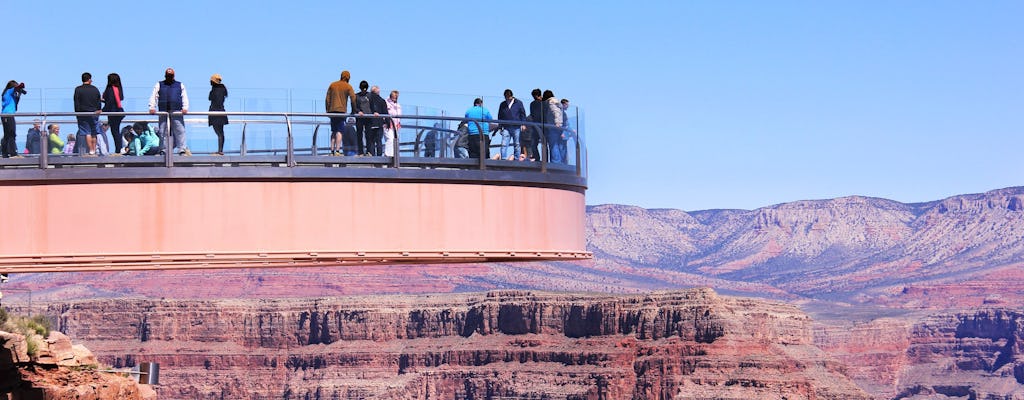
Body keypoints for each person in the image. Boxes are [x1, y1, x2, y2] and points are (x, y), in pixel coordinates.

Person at [148, 67, 190, 156]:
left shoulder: (180, 85)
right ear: (165, 76)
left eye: (170, 76)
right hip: (163, 110)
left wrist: (185, 107)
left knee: (180, 130)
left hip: (176, 110)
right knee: (163, 131)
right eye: (168, 76)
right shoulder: (159, 84)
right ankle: (163, 149)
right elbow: (154, 95)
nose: (169, 77)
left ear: (173, 76)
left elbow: (184, 96)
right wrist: (152, 107)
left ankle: (182, 149)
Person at [324, 70, 356, 156]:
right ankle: (338, 151)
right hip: (341, 111)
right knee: (339, 131)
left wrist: (328, 110)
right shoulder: (348, 86)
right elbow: (353, 99)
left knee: (333, 131)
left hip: (332, 111)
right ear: (348, 77)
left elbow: (327, 98)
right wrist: (354, 110)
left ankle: (331, 151)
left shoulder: (332, 85)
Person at [73, 73, 103, 156]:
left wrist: (77, 113)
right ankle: (94, 149)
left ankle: (91, 150)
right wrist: (98, 110)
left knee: (87, 132)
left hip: (83, 113)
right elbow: (98, 101)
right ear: (89, 79)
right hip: (94, 113)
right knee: (94, 132)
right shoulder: (95, 89)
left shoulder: (78, 89)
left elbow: (76, 102)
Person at [496, 89, 527, 161]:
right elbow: (500, 116)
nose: (507, 98)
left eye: (508, 97)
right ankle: (503, 159)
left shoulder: (518, 103)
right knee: (504, 144)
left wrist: (523, 124)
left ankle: (517, 159)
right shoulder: (503, 104)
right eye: (505, 97)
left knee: (517, 144)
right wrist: (500, 126)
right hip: (506, 127)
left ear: (511, 96)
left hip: (516, 127)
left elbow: (523, 114)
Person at [2, 80, 26, 158]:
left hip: (7, 115)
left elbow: (18, 92)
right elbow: (17, 88)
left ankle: (5, 153)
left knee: (8, 134)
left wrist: (21, 92)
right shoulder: (9, 91)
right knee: (11, 134)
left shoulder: (9, 93)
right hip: (7, 115)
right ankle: (12, 153)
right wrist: (20, 86)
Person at [102, 73, 125, 154]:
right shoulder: (118, 88)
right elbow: (120, 98)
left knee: (115, 132)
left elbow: (110, 101)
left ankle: (118, 150)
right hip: (118, 111)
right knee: (116, 131)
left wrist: (103, 110)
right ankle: (118, 149)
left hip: (113, 112)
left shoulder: (110, 88)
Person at [208, 73, 228, 155]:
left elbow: (211, 99)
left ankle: (220, 151)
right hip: (221, 112)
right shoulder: (222, 89)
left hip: (215, 113)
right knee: (221, 132)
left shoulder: (215, 90)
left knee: (219, 132)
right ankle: (220, 150)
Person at [543, 90, 564, 163]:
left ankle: (556, 161)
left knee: (553, 144)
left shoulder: (551, 102)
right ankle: (560, 161)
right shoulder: (558, 102)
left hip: (553, 126)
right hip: (559, 126)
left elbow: (555, 112)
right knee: (558, 144)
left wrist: (557, 122)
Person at [367, 85, 389, 156]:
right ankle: (379, 156)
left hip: (370, 122)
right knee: (379, 140)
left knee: (371, 141)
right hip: (379, 123)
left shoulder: (368, 99)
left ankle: (372, 156)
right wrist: (387, 122)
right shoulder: (382, 100)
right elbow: (385, 112)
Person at [353, 81, 373, 156]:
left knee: (368, 135)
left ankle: (369, 151)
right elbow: (354, 106)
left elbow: (373, 105)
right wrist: (358, 111)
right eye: (362, 89)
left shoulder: (370, 95)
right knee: (359, 135)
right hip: (360, 118)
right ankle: (360, 152)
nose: (364, 90)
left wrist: (373, 112)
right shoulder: (356, 96)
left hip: (368, 117)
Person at [526, 88, 544, 161]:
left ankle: (541, 159)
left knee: (541, 144)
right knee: (534, 144)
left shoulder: (543, 103)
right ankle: (538, 158)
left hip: (541, 126)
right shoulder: (533, 104)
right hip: (537, 126)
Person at [382, 89, 401, 157]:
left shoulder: (398, 105)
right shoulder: (386, 102)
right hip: (388, 124)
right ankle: (387, 154)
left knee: (395, 140)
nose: (395, 98)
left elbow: (398, 114)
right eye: (394, 97)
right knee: (389, 139)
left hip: (396, 125)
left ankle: (394, 155)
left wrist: (398, 122)